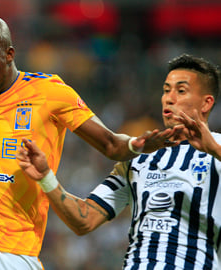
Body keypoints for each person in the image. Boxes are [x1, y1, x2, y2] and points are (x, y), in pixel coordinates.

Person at [0, 15, 181, 270]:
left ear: (8, 54)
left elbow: (110, 144)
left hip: (14, 250)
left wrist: (138, 144)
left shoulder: (49, 92)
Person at [17, 53, 221, 269]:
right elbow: (84, 219)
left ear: (206, 103)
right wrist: (47, 178)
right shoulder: (140, 157)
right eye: (166, 90)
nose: (169, 98)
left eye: (180, 90)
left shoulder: (217, 149)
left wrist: (214, 149)